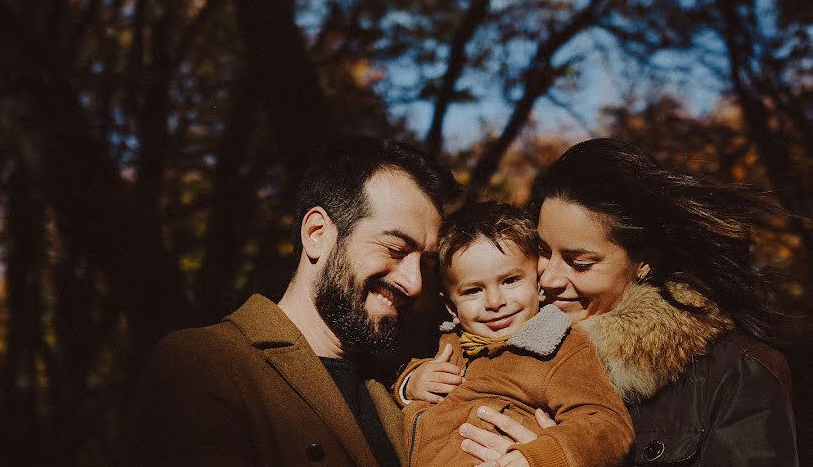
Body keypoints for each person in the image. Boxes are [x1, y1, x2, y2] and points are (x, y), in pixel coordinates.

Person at [457, 139, 799, 467]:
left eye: (580, 262)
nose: (548, 279)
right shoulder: (500, 342)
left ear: (643, 262)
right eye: (544, 251)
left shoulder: (739, 372)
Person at [131, 135, 458, 466]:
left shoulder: (397, 392)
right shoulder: (204, 363)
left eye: (426, 264)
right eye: (395, 249)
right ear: (317, 234)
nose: (415, 283)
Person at [396, 202, 634, 467]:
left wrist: (537, 457)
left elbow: (607, 425)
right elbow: (401, 377)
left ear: (538, 286)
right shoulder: (448, 342)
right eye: (473, 290)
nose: (495, 302)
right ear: (451, 307)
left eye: (510, 281)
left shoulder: (559, 349)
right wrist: (411, 382)